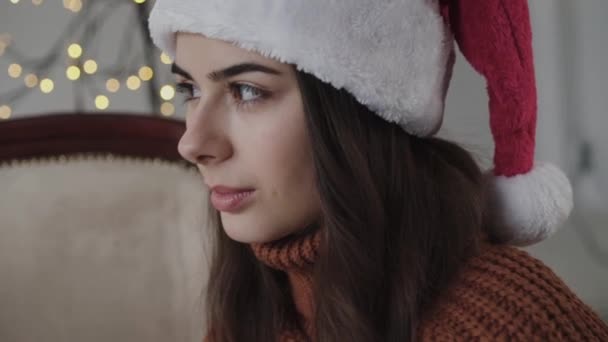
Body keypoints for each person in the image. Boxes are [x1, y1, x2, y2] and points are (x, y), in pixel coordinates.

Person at [148, 0, 608, 341]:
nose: (193, 144)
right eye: (189, 88)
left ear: (357, 113)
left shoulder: (508, 322)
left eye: (247, 91)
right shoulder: (258, 304)